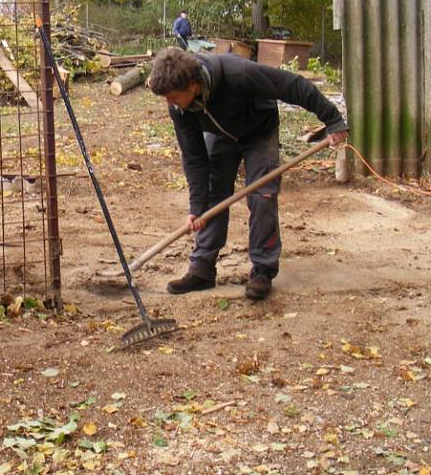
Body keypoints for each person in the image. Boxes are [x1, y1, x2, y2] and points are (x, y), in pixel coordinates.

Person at [148, 47, 349, 300]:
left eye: (171, 96)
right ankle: (202, 269)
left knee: (262, 195)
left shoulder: (239, 74)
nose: (168, 102)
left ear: (193, 84)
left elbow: (292, 85)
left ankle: (262, 271)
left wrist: (332, 120)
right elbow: (195, 158)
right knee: (213, 196)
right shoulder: (180, 108)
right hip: (221, 135)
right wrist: (197, 208)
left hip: (259, 131)